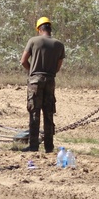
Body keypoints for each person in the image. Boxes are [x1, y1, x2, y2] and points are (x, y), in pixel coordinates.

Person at [20, 16, 65, 153]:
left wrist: (32, 71)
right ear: (50, 29)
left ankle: (33, 146)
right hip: (50, 80)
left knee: (34, 112)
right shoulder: (59, 45)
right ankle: (49, 146)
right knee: (48, 113)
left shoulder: (33, 41)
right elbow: (58, 66)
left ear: (39, 29)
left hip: (35, 80)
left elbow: (23, 61)